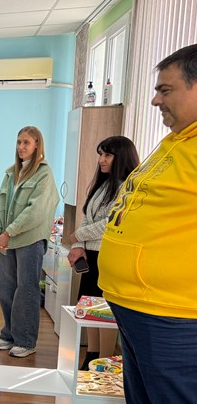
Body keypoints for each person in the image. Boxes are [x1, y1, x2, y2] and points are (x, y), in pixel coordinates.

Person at [93, 44, 197, 404]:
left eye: (165, 89)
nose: (155, 100)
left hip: (174, 316)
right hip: (135, 308)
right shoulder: (176, 142)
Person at [66, 136, 139, 370]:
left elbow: (111, 223)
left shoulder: (127, 187)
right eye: (101, 155)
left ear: (121, 158)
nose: (101, 160)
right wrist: (78, 243)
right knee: (90, 307)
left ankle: (103, 362)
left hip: (108, 256)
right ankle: (92, 355)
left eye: (107, 155)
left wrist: (78, 235)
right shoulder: (104, 184)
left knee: (104, 312)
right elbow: (87, 216)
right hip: (91, 254)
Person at [0, 126, 59, 358]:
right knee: (6, 288)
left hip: (29, 240)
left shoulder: (44, 174)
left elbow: (35, 211)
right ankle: (9, 334)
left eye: (26, 142)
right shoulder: (11, 173)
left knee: (26, 290)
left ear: (37, 144)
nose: (21, 147)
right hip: (7, 240)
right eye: (19, 142)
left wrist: (9, 232)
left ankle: (26, 340)